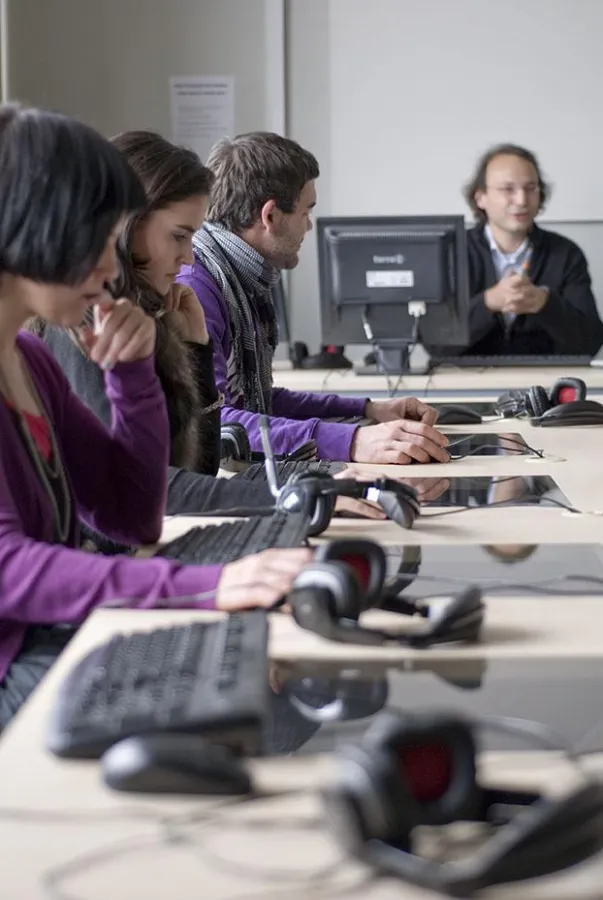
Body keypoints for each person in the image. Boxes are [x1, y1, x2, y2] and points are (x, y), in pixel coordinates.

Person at [0, 105, 312, 727]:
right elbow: (8, 571)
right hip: (14, 667)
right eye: (96, 236)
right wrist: (196, 586)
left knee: (261, 685)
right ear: (30, 226)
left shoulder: (28, 359)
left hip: (47, 643)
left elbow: (133, 515)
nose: (113, 266)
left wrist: (134, 373)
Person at [31, 131, 396, 525]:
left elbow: (195, 469)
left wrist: (196, 346)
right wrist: (295, 495)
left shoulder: (141, 317)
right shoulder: (80, 332)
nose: (187, 256)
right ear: (126, 227)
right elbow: (148, 496)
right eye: (178, 236)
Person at [177, 132, 450, 466]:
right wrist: (352, 442)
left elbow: (256, 402)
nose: (308, 227)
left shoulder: (239, 275)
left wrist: (368, 411)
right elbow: (219, 425)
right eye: (306, 212)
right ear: (271, 216)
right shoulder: (197, 287)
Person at [462, 143, 603, 357]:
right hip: (462, 381)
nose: (521, 200)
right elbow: (434, 342)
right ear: (480, 197)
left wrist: (545, 304)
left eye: (530, 188)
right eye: (508, 189)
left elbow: (590, 343)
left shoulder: (565, 253)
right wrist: (488, 303)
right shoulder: (455, 252)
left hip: (545, 381)